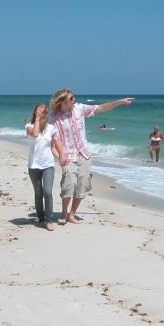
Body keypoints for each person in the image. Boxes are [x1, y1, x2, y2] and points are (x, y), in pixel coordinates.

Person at [49, 88, 134, 225]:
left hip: (84, 154)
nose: (74, 99)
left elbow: (99, 108)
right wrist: (61, 156)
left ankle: (72, 214)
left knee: (82, 185)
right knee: (69, 183)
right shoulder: (54, 118)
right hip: (68, 156)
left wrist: (119, 102)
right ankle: (64, 213)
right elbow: (56, 139)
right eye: (71, 98)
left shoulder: (79, 108)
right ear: (63, 101)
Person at [26, 103, 63, 231]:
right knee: (38, 193)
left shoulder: (52, 128)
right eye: (40, 112)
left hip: (48, 165)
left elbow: (52, 147)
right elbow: (35, 134)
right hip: (34, 166)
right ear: (35, 113)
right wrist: (37, 118)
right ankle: (41, 219)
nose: (43, 114)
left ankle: (48, 220)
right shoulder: (29, 127)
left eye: (45, 112)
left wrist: (61, 157)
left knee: (48, 192)